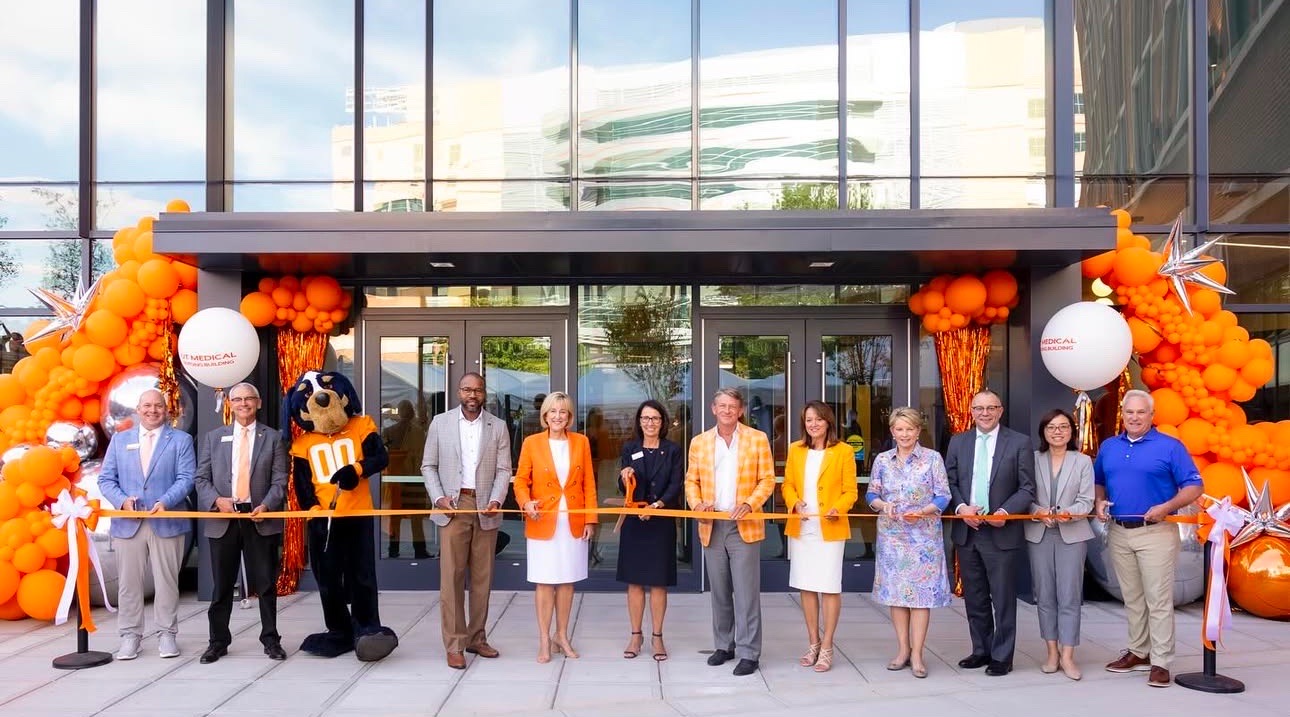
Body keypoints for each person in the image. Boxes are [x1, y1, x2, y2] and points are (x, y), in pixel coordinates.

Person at [1094, 389, 1202, 688]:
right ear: (1123, 414)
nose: (1135, 417)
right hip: (1119, 532)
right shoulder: (1109, 447)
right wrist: (1099, 502)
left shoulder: (1170, 447)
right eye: (1130, 412)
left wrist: (1167, 507)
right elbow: (1099, 481)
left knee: (1158, 600)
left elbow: (1195, 486)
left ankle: (1162, 661)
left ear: (1152, 416)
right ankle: (1139, 652)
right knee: (1133, 598)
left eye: (1141, 412)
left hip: (1156, 532)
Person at [422, 372, 513, 669]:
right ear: (458, 392)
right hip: (453, 505)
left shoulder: (498, 426)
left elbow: (504, 469)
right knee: (451, 578)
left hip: (486, 506)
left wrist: (497, 499)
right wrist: (438, 498)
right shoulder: (440, 423)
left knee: (482, 579)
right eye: (466, 390)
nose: (472, 395)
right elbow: (428, 466)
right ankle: (455, 643)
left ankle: (477, 638)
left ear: (484, 393)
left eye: (478, 390)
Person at [193, 382, 290, 663]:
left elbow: (280, 480)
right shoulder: (213, 438)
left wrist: (268, 504)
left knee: (266, 585)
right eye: (237, 399)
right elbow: (201, 479)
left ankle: (271, 640)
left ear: (258, 403)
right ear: (230, 404)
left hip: (259, 518)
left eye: (249, 399)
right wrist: (217, 501)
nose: (243, 403)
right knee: (222, 586)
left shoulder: (273, 438)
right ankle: (218, 642)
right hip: (224, 518)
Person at [98, 388, 196, 660]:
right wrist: (121, 501)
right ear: (138, 410)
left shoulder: (181, 440)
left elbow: (187, 477)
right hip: (129, 523)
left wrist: (166, 500)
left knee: (167, 582)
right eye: (147, 406)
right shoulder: (120, 440)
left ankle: (167, 634)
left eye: (158, 406)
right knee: (129, 584)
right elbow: (106, 479)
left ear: (167, 410)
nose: (153, 410)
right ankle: (130, 636)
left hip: (166, 520)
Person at [685, 387, 776, 677]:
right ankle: (724, 645)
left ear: (740, 411)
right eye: (721, 405)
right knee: (720, 591)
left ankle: (749, 652)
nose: (726, 410)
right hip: (711, 524)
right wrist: (697, 504)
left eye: (732, 406)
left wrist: (750, 503)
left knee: (747, 593)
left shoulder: (757, 439)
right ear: (713, 409)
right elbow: (691, 481)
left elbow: (767, 479)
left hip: (744, 525)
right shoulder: (699, 442)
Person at [945, 389, 1035, 676]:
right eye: (979, 408)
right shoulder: (959, 442)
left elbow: (1027, 487)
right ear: (971, 411)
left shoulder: (1019, 443)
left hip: (1000, 531)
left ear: (1000, 410)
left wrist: (1004, 514)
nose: (984, 413)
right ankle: (981, 650)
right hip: (968, 531)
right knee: (975, 596)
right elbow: (949, 480)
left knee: (1003, 598)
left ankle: (1002, 656)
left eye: (990, 408)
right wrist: (961, 508)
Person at [867, 407, 952, 678]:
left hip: (923, 539)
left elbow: (943, 495)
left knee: (920, 598)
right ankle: (903, 650)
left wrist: (924, 511)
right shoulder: (882, 460)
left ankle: (917, 654)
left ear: (918, 431)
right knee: (897, 596)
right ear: (892, 431)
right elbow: (871, 493)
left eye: (909, 429)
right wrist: (883, 505)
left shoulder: (932, 459)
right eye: (899, 429)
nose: (904, 434)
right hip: (893, 537)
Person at [514, 391, 598, 664]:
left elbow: (589, 484)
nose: (558, 416)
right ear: (545, 416)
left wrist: (590, 519)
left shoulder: (581, 442)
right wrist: (526, 503)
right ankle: (544, 639)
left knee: (567, 582)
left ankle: (562, 636)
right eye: (553, 412)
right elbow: (520, 482)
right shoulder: (532, 443)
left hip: (572, 523)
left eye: (563, 412)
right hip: (543, 522)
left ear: (570, 416)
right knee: (545, 581)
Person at [782, 401, 857, 673]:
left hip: (830, 527)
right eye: (808, 420)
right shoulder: (795, 449)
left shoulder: (844, 451)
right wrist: (795, 502)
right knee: (806, 585)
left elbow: (851, 491)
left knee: (829, 586)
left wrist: (839, 507)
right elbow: (787, 484)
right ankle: (812, 641)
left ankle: (827, 645)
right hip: (802, 528)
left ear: (828, 422)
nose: (813, 424)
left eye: (818, 419)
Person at [1026, 408, 1094, 681]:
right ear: (1043, 431)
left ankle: (1068, 655)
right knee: (1045, 596)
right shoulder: (1032, 459)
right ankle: (1051, 652)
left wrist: (1068, 512)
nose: (1057, 431)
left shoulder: (1082, 461)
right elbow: (1023, 493)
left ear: (1071, 431)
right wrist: (1037, 510)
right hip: (1039, 533)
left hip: (1072, 534)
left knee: (1069, 596)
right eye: (1051, 427)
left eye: (1063, 426)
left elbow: (1087, 500)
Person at [616, 400, 683, 661]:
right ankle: (635, 635)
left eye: (655, 418)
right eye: (645, 418)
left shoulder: (673, 450)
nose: (650, 423)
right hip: (635, 521)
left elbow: (676, 484)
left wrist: (657, 505)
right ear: (639, 421)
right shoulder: (629, 448)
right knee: (634, 582)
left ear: (663, 422)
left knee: (658, 582)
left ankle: (657, 636)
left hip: (661, 520)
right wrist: (625, 477)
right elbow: (624, 489)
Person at [383, 399, 429, 559]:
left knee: (395, 517)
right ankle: (420, 550)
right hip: (415, 478)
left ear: (400, 412)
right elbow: (423, 456)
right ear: (411, 413)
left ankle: (393, 549)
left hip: (395, 481)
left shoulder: (389, 431)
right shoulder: (419, 432)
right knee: (417, 518)